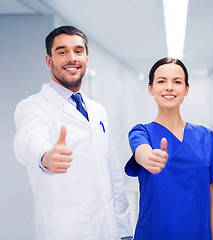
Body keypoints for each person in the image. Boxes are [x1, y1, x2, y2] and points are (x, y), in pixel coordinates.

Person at [13, 26, 132, 240]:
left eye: (78, 51)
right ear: (49, 60)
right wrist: (45, 156)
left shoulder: (98, 110)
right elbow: (28, 141)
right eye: (62, 52)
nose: (72, 58)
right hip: (66, 231)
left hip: (108, 230)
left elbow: (112, 173)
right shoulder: (33, 106)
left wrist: (123, 231)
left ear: (87, 57)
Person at [125, 57, 213, 240]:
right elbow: (141, 151)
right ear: (150, 88)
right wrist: (148, 157)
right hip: (154, 234)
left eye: (177, 82)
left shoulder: (205, 137)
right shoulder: (142, 132)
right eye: (161, 81)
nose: (169, 87)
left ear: (187, 89)